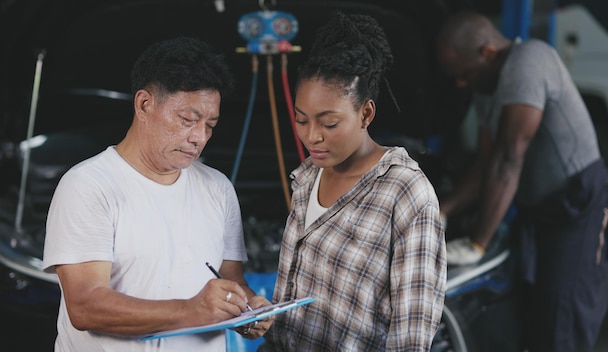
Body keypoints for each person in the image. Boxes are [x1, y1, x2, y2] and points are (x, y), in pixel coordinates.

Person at [42, 36, 273, 351]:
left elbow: (232, 282)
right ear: (144, 104)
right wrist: (190, 310)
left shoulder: (217, 188)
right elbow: (85, 306)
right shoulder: (88, 186)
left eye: (210, 125)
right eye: (187, 120)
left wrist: (249, 309)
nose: (199, 137)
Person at [437, 11, 608, 352]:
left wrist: (477, 243)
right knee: (530, 322)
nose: (460, 85)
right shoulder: (486, 86)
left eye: (463, 75)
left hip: (580, 211)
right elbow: (485, 166)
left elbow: (509, 158)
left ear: (488, 53)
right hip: (539, 215)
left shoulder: (529, 62)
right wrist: (442, 211)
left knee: (562, 326)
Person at [260, 12, 447, 351]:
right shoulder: (307, 178)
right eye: (301, 120)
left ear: (366, 114)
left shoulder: (405, 193)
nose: (311, 136)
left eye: (329, 123)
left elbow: (410, 339)